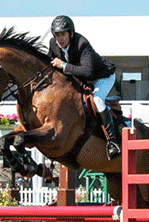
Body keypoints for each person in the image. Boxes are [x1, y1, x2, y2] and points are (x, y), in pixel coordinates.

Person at [47, 15, 120, 159]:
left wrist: (63, 65)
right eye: (57, 35)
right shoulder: (53, 44)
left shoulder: (82, 44)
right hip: (82, 79)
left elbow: (87, 71)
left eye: (63, 34)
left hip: (102, 76)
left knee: (98, 100)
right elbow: (49, 64)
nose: (60, 39)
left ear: (71, 34)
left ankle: (113, 142)